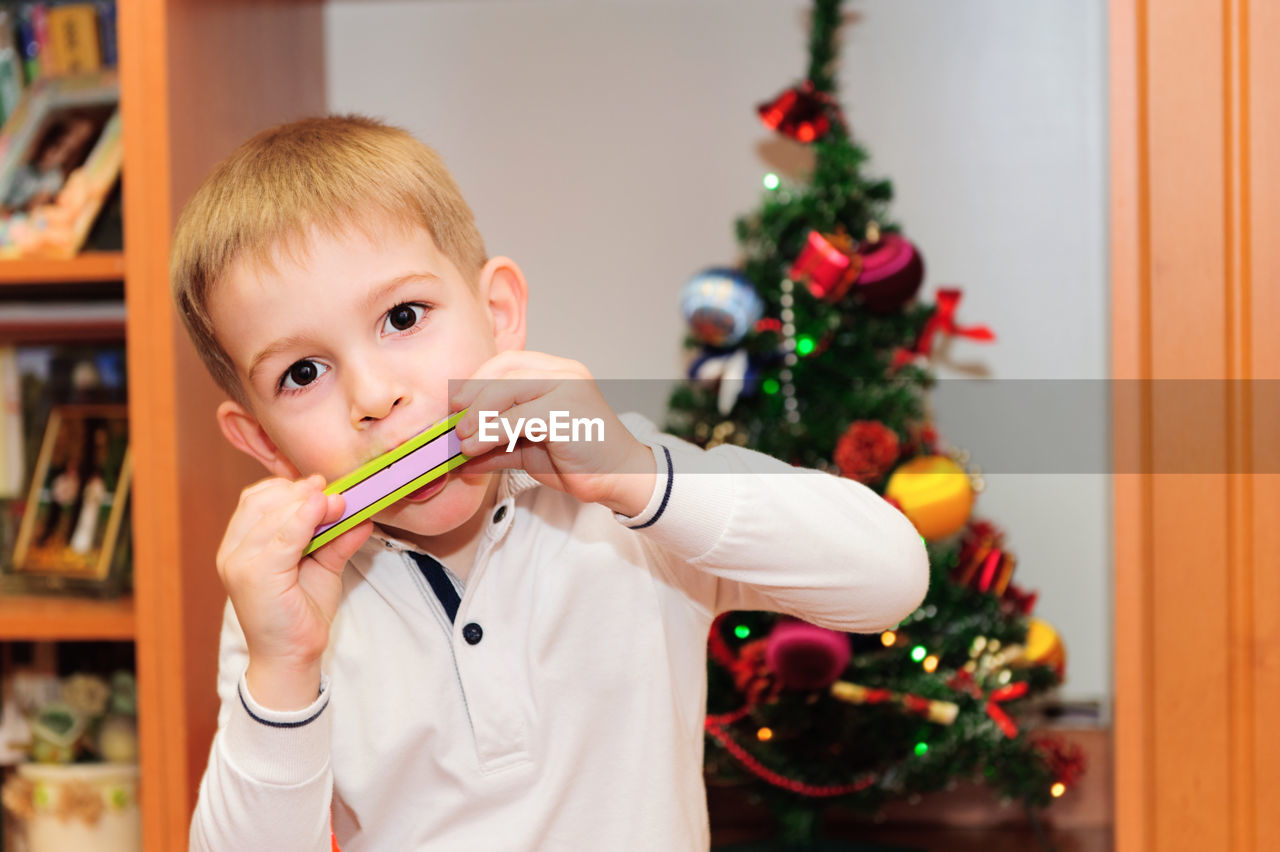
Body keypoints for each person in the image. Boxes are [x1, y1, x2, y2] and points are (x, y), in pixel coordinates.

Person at [171, 115, 930, 851]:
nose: (374, 396)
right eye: (302, 373)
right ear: (263, 441)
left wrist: (640, 477)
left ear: (498, 314)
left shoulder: (626, 499)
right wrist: (283, 666)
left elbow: (891, 577)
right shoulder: (284, 611)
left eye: (404, 316)